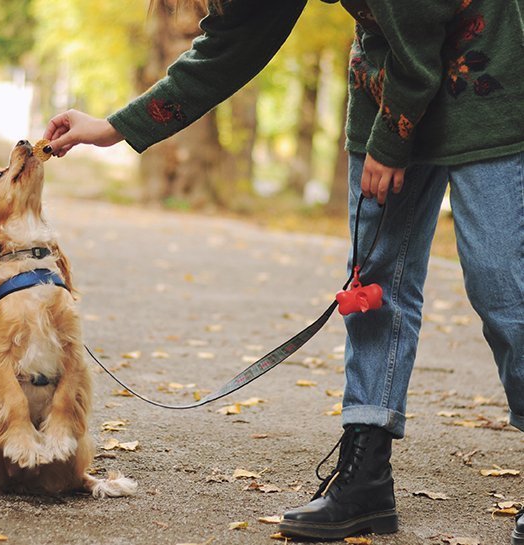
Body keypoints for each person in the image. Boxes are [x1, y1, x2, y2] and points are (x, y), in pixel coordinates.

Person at [43, 0, 524, 541]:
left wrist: (392, 139)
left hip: (487, 80)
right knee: (373, 287)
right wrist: (114, 127)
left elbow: (417, 18)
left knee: (504, 289)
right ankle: (365, 480)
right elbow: (233, 44)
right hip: (386, 82)